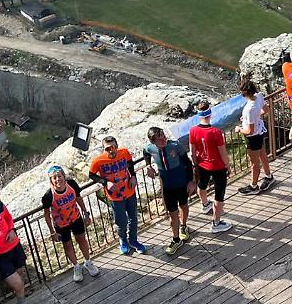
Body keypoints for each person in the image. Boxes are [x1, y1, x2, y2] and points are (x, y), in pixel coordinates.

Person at [41, 165, 100, 282]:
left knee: (82, 239)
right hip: (61, 224)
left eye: (59, 176)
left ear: (64, 176)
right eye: (54, 178)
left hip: (76, 218)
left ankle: (88, 262)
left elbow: (78, 198)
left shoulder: (72, 184)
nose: (58, 179)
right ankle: (76, 266)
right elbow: (47, 214)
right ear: (51, 180)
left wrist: (85, 213)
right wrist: (52, 232)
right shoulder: (48, 196)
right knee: (67, 245)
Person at [144, 126, 196, 256]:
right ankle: (176, 239)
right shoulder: (151, 148)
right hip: (167, 186)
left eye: (164, 136)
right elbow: (145, 152)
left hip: (181, 182)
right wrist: (148, 165)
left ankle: (184, 226)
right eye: (160, 139)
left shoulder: (175, 145)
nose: (163, 140)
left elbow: (187, 163)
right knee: (172, 213)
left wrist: (191, 181)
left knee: (183, 205)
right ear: (153, 142)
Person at [88, 136, 145, 256]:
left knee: (133, 218)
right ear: (103, 149)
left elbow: (130, 164)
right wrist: (105, 182)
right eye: (108, 148)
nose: (111, 150)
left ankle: (133, 240)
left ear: (117, 146)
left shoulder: (124, 152)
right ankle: (123, 241)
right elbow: (92, 175)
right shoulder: (98, 161)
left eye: (113, 147)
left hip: (129, 191)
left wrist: (133, 176)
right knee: (121, 222)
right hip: (115, 196)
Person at [189, 102, 233, 234]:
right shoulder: (216, 132)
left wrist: (196, 164)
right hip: (218, 166)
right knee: (219, 196)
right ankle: (216, 223)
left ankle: (204, 204)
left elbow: (192, 152)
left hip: (202, 164)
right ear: (210, 114)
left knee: (202, 186)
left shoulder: (193, 131)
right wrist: (228, 166)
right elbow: (222, 153)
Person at [237, 78, 274, 195]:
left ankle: (253, 186)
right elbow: (266, 110)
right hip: (260, 132)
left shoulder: (249, 109)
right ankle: (268, 176)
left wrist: (239, 129)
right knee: (263, 155)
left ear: (245, 93)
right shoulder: (259, 96)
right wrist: (255, 118)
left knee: (254, 163)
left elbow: (249, 130)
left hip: (252, 137)